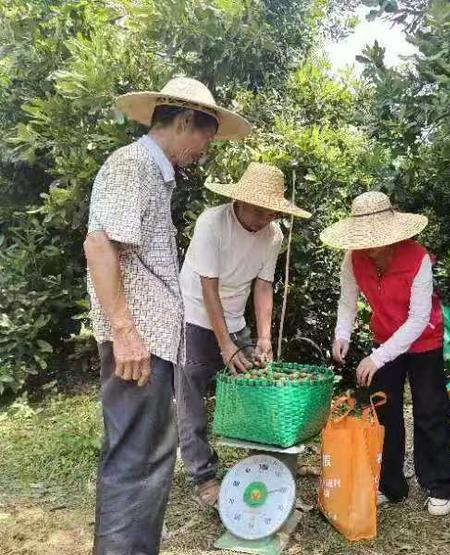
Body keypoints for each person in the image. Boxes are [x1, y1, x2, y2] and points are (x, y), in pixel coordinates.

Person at [84, 77, 250, 554]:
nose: (205, 149)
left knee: (148, 458)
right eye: (205, 136)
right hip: (138, 345)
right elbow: (99, 245)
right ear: (182, 123)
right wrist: (125, 333)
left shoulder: (153, 175)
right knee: (135, 460)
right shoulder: (132, 166)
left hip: (152, 341)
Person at [177, 162, 311, 507]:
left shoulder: (274, 234)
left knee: (256, 390)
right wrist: (225, 346)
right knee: (191, 398)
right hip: (193, 315)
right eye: (255, 209)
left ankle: (263, 465)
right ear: (238, 201)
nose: (262, 218)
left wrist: (263, 338)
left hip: (235, 319)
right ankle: (204, 477)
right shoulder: (212, 223)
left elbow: (263, 286)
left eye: (270, 212)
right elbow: (209, 288)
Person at [320, 191, 450, 516]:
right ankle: (391, 485)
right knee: (385, 412)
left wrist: (377, 358)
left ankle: (438, 485)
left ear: (392, 235)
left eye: (375, 240)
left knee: (428, 410)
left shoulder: (418, 258)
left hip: (424, 341)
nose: (368, 248)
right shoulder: (353, 258)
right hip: (384, 338)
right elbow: (347, 301)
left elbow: (418, 319)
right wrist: (342, 335)